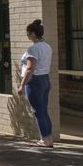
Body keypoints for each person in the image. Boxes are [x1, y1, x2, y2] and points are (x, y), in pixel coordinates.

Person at [17, 19, 55, 147]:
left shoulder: (33, 49)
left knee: (38, 111)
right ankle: (49, 138)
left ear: (33, 34)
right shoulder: (47, 47)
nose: (27, 35)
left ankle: (44, 139)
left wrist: (22, 84)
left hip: (34, 81)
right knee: (43, 110)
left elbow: (30, 68)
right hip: (45, 79)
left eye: (28, 33)